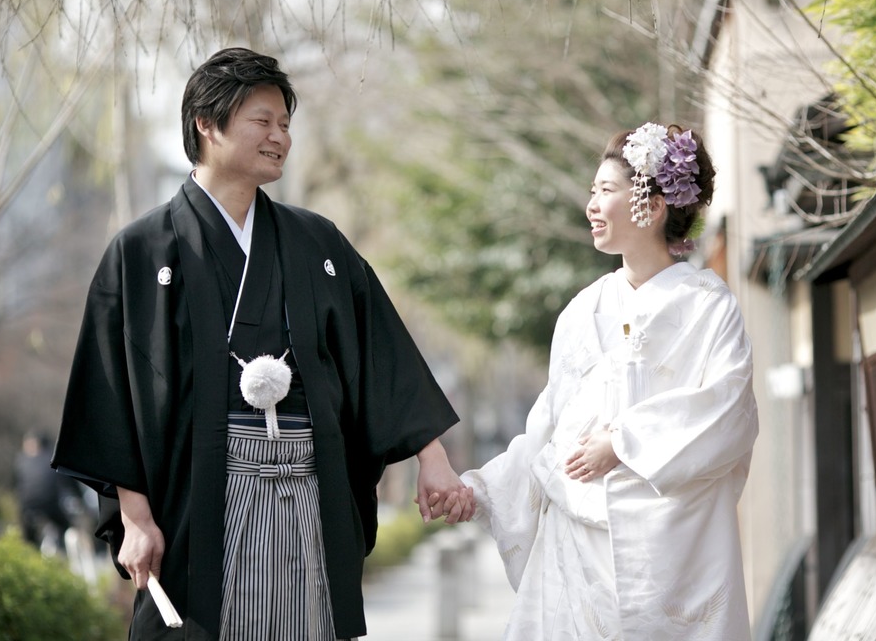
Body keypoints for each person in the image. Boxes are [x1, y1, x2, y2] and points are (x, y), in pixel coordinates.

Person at [52, 47, 473, 640]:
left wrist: (433, 459)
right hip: (199, 500)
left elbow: (380, 353)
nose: (280, 137)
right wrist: (135, 516)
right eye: (263, 121)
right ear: (207, 123)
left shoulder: (316, 242)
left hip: (309, 487)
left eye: (285, 125)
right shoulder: (142, 251)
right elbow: (111, 395)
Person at [460, 123, 758, 641]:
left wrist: (622, 442)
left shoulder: (708, 304)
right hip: (575, 543)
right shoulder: (582, 310)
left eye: (605, 190)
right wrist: (479, 490)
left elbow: (728, 409)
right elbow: (547, 428)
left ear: (653, 203)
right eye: (593, 191)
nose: (591, 205)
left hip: (675, 549)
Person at [14, 429, 84, 552]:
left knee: (29, 537)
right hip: (51, 505)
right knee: (65, 527)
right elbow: (69, 482)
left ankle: (31, 554)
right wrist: (80, 498)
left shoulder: (20, 460)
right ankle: (62, 553)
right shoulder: (52, 457)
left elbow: (15, 484)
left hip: (27, 507)